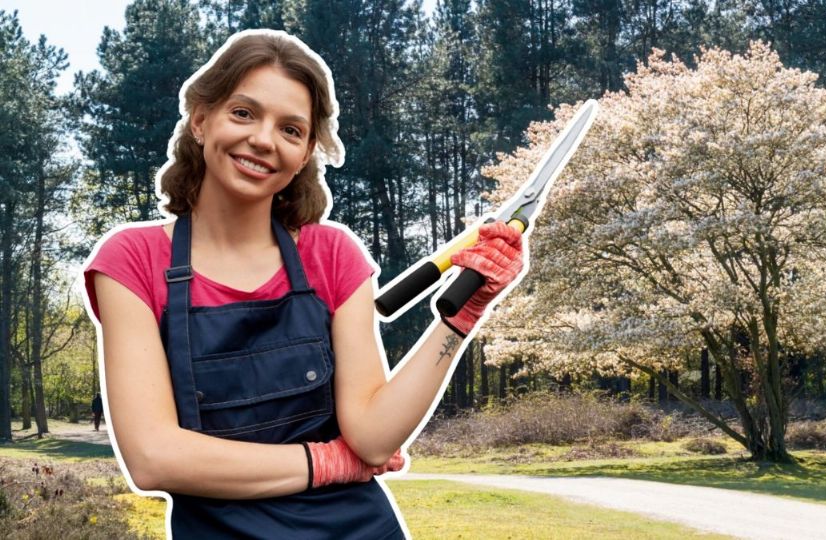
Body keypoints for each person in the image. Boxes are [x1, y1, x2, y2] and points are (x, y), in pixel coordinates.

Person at [80, 29, 524, 539]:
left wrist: (462, 317)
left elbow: (375, 440)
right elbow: (154, 458)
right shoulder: (132, 261)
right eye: (244, 113)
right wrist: (326, 462)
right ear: (201, 120)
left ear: (306, 152)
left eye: (291, 130)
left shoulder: (331, 255)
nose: (265, 140)